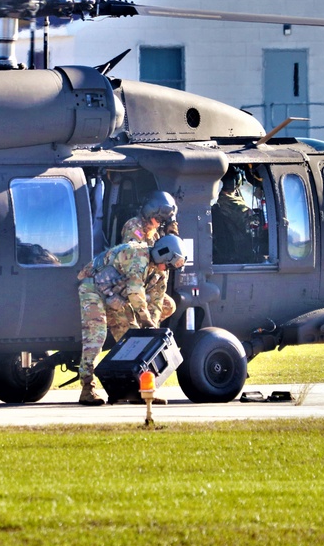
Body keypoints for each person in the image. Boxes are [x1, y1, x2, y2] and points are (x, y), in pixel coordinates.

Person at [75, 234, 186, 406]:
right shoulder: (137, 255)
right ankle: (87, 389)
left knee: (132, 342)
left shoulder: (160, 273)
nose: (166, 269)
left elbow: (157, 302)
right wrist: (146, 321)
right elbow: (135, 293)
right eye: (167, 264)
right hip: (93, 289)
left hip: (117, 297)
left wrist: (152, 330)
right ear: (161, 255)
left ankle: (140, 390)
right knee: (95, 338)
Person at [120, 191, 179, 328]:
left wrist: (171, 234)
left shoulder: (155, 233)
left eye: (162, 221)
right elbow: (136, 257)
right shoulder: (134, 227)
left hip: (148, 284)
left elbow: (169, 253)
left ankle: (149, 328)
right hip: (132, 282)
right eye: (158, 220)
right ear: (150, 214)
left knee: (168, 305)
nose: (159, 224)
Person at [212, 167, 263, 264]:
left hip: (226, 255)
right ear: (235, 182)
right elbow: (254, 226)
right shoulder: (234, 205)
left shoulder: (219, 202)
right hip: (239, 255)